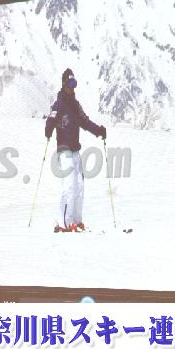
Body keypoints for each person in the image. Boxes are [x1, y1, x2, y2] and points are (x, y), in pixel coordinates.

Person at [45, 68, 106, 233]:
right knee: (70, 186)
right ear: (64, 84)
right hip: (64, 151)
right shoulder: (59, 104)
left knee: (79, 186)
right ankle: (65, 223)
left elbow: (85, 122)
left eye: (74, 84)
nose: (72, 88)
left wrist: (99, 131)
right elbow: (50, 119)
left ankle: (77, 222)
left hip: (75, 151)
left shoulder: (75, 105)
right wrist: (49, 129)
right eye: (70, 84)